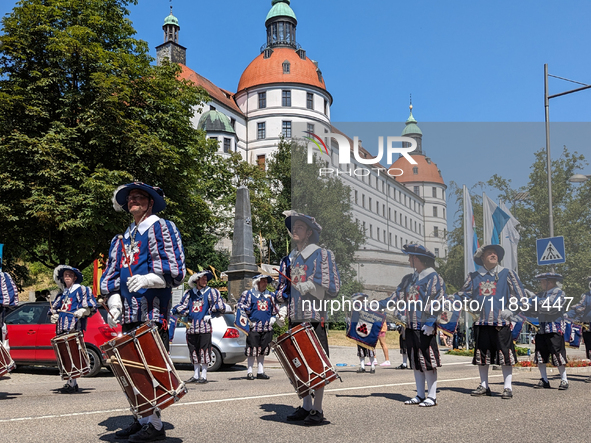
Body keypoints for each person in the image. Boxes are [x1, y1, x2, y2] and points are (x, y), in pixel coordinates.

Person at [101, 182, 186, 442]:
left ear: (150, 202)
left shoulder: (162, 227)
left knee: (150, 367)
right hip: (128, 313)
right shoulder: (122, 238)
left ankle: (156, 425)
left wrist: (150, 279)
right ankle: (141, 419)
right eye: (130, 198)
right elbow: (111, 274)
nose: (133, 201)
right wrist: (114, 298)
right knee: (131, 369)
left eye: (139, 197)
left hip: (152, 312)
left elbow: (176, 271)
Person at [275, 211, 340, 426]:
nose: (294, 230)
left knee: (315, 361)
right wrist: (282, 308)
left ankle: (318, 409)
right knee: (299, 362)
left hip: (314, 316)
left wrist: (311, 286)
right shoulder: (289, 259)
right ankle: (305, 406)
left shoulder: (322, 254)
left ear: (309, 232)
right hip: (295, 316)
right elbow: (283, 289)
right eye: (293, 227)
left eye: (299, 227)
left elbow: (332, 285)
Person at [455, 244, 526, 399]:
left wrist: (512, 310)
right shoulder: (474, 276)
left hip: (501, 323)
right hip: (481, 322)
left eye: (495, 253)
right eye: (489, 253)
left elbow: (520, 296)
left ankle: (507, 387)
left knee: (505, 356)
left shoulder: (507, 274)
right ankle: (484, 385)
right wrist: (456, 301)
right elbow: (462, 294)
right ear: (482, 257)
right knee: (482, 356)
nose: (493, 255)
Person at [379, 244, 446, 407]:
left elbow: (437, 300)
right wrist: (377, 305)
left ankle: (432, 396)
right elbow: (396, 297)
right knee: (415, 361)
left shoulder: (433, 277)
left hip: (424, 327)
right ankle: (420, 394)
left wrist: (430, 323)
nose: (408, 260)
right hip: (410, 326)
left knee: (428, 362)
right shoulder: (409, 279)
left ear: (417, 259)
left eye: (410, 257)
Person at [172, 269, 231, 384]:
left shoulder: (211, 292)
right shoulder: (189, 294)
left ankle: (203, 375)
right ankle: (195, 374)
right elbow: (182, 308)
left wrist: (211, 314)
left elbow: (219, 306)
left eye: (206, 278)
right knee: (193, 350)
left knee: (204, 350)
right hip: (191, 328)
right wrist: (176, 311)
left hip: (204, 328)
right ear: (196, 280)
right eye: (203, 278)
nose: (205, 280)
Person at [50, 265, 97, 393]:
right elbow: (55, 308)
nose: (67, 277)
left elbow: (91, 306)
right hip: (61, 327)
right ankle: (71, 382)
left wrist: (83, 310)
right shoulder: (62, 293)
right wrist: (54, 315)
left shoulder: (82, 290)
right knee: (65, 355)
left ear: (75, 277)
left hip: (74, 327)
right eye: (65, 275)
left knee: (73, 353)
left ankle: (72, 383)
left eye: (70, 275)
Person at [524, 273, 568, 390]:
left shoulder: (559, 293)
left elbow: (551, 307)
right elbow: (533, 311)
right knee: (540, 354)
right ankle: (544, 379)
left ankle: (564, 380)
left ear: (550, 282)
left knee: (557, 353)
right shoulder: (541, 294)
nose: (541, 284)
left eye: (543, 281)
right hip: (542, 328)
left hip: (554, 328)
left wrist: (534, 300)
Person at [237, 274, 278, 380]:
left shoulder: (270, 295)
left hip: (266, 328)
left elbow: (275, 309)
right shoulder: (248, 294)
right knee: (251, 350)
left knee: (263, 350)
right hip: (253, 328)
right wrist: (248, 321)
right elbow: (241, 308)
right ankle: (249, 372)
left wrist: (273, 318)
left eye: (266, 281)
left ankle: (260, 371)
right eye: (263, 281)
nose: (265, 284)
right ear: (257, 283)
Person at [565, 276, 591, 383]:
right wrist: (567, 315)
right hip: (588, 326)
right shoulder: (586, 296)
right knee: (590, 350)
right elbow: (579, 308)